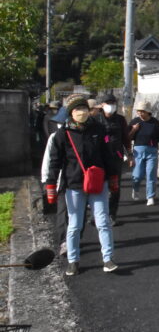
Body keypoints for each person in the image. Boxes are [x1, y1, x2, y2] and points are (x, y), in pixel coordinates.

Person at [45, 94, 120, 276]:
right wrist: (50, 186)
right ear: (71, 112)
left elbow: (107, 155)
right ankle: (73, 260)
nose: (83, 112)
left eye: (85, 108)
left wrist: (113, 177)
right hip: (73, 184)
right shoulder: (62, 134)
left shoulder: (99, 129)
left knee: (103, 222)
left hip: (98, 183)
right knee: (74, 225)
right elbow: (54, 162)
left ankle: (108, 259)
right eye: (78, 109)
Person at [95, 93, 132, 226]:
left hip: (116, 156)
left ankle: (112, 214)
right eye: (108, 103)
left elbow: (126, 138)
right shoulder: (95, 119)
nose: (110, 106)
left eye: (113, 103)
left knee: (114, 187)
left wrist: (130, 154)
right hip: (99, 158)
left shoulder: (120, 120)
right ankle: (98, 214)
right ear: (102, 105)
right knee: (97, 186)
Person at [40, 106, 69, 256]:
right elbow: (48, 160)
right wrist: (46, 180)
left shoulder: (83, 135)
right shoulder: (55, 137)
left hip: (79, 181)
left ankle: (73, 238)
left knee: (78, 215)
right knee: (63, 211)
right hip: (60, 181)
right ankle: (64, 241)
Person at [129, 100, 159, 206]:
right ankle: (135, 188)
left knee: (151, 174)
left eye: (142, 111)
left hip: (152, 151)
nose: (140, 113)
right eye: (138, 111)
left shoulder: (155, 123)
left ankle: (150, 196)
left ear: (148, 112)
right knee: (137, 175)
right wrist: (133, 130)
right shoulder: (134, 122)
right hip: (138, 151)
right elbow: (128, 137)